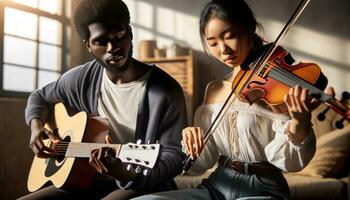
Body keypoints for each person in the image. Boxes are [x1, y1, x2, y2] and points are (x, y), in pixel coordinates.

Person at [133, 0, 334, 199]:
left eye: (230, 37)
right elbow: (202, 163)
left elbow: (290, 163)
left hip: (263, 189)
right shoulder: (214, 89)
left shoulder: (277, 90)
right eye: (212, 42)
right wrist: (191, 139)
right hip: (217, 186)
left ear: (250, 29)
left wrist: (300, 122)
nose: (223, 49)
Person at [20, 0, 187, 199]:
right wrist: (36, 128)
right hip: (84, 179)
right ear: (88, 45)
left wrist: (125, 174)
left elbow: (175, 156)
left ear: (130, 33)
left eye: (119, 35)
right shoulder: (82, 79)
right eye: (101, 41)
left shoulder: (166, 90)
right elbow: (39, 97)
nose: (113, 47)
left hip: (141, 182)